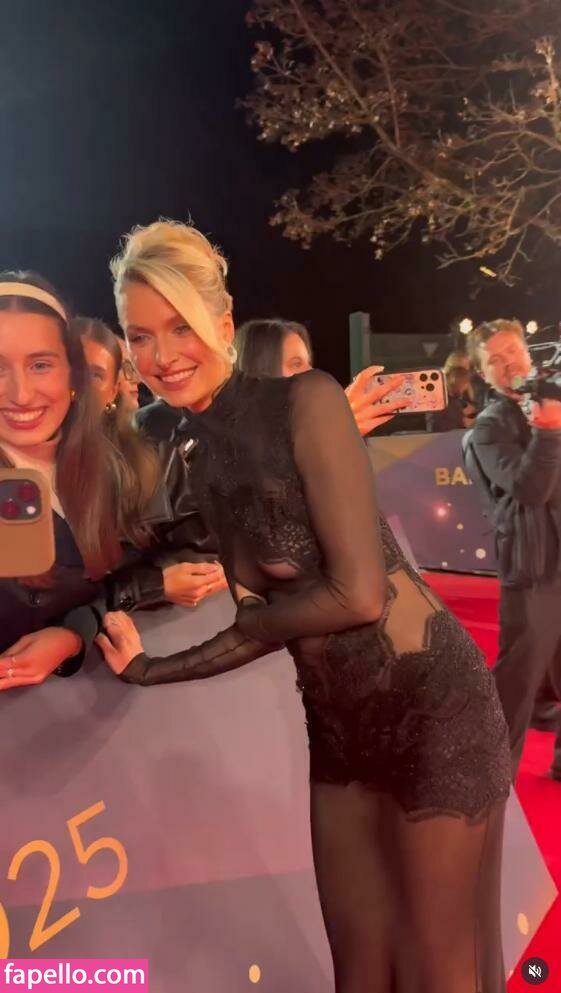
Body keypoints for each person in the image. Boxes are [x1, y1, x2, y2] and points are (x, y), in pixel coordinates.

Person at [97, 219, 510, 993]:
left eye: (180, 326)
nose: (161, 354)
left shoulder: (307, 399)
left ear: (222, 322)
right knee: (358, 967)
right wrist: (151, 667)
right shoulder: (195, 454)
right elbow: (263, 618)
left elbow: (356, 593)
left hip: (433, 704)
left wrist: (248, 622)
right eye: (139, 336)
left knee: (436, 968)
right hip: (339, 727)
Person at [0, 282, 224, 690]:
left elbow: (115, 583)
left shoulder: (122, 470)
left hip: (92, 703)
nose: (21, 393)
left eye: (40, 365)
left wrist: (73, 635)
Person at [464, 319, 561, 780]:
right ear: (483, 373)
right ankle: (489, 780)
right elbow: (530, 489)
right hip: (533, 566)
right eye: (495, 360)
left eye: (514, 352)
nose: (509, 365)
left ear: (529, 353)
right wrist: (549, 432)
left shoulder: (549, 402)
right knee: (518, 680)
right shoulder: (489, 428)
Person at [136, 316, 407, 442]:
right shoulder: (196, 436)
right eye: (295, 364)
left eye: (308, 363)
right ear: (260, 369)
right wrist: (329, 437)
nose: (310, 374)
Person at [426, 365, 477, 433]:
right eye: (466, 383)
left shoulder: (453, 399)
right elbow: (460, 422)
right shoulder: (444, 400)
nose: (467, 386)